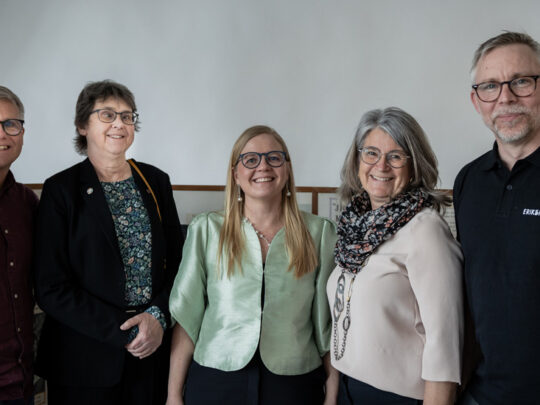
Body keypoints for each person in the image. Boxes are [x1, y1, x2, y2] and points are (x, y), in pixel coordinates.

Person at [33, 80, 184, 405]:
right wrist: (127, 330)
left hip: (152, 353)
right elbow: (51, 288)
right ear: (82, 124)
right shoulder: (61, 189)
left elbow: (179, 264)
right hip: (83, 360)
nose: (120, 123)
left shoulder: (156, 181)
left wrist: (157, 317)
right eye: (107, 115)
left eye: (127, 116)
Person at [166, 125, 337, 405]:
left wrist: (331, 395)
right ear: (236, 173)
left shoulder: (320, 233)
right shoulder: (207, 229)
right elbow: (187, 318)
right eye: (250, 159)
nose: (263, 166)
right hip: (216, 379)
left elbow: (326, 324)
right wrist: (173, 394)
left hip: (294, 382)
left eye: (274, 157)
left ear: (287, 168)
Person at [327, 107, 463, 405]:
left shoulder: (426, 230)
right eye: (371, 153)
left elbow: (445, 345)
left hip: (396, 398)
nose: (381, 166)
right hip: (348, 390)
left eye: (396, 156)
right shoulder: (353, 226)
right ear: (357, 159)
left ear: (414, 166)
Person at [454, 31, 540, 405]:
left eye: (521, 82)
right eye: (490, 86)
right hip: (481, 393)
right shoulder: (468, 181)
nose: (505, 97)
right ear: (477, 101)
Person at [0, 86, 38, 405]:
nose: (3, 135)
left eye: (10, 124)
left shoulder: (27, 203)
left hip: (18, 380)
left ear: (22, 132)